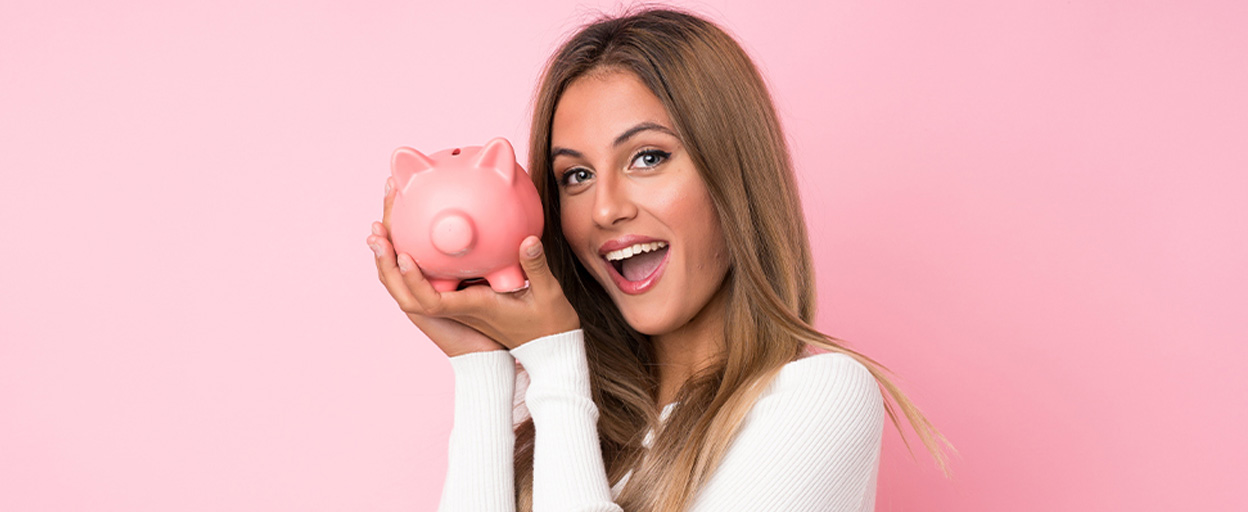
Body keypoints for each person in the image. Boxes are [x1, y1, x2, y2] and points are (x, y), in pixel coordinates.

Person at [364, 6, 955, 512]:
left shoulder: (819, 399)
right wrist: (480, 367)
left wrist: (555, 358)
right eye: (576, 175)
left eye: (648, 157)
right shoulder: (562, 420)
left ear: (734, 175)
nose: (605, 209)